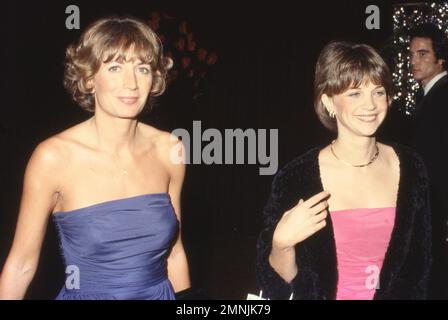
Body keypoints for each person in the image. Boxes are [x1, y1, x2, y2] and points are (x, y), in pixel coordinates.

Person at [0, 16, 190, 300]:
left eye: (143, 69)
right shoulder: (53, 158)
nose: (132, 83)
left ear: (155, 79)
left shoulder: (169, 149)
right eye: (115, 68)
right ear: (89, 79)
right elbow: (22, 265)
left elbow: (174, 253)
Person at [256, 41, 432, 300]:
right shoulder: (296, 178)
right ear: (328, 102)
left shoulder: (412, 167)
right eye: (354, 94)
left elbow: (421, 269)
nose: (370, 105)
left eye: (378, 92)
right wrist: (281, 244)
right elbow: (278, 287)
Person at [409, 23, 448, 299]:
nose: (414, 61)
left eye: (423, 54)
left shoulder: (442, 97)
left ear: (440, 59)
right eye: (412, 54)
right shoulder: (429, 97)